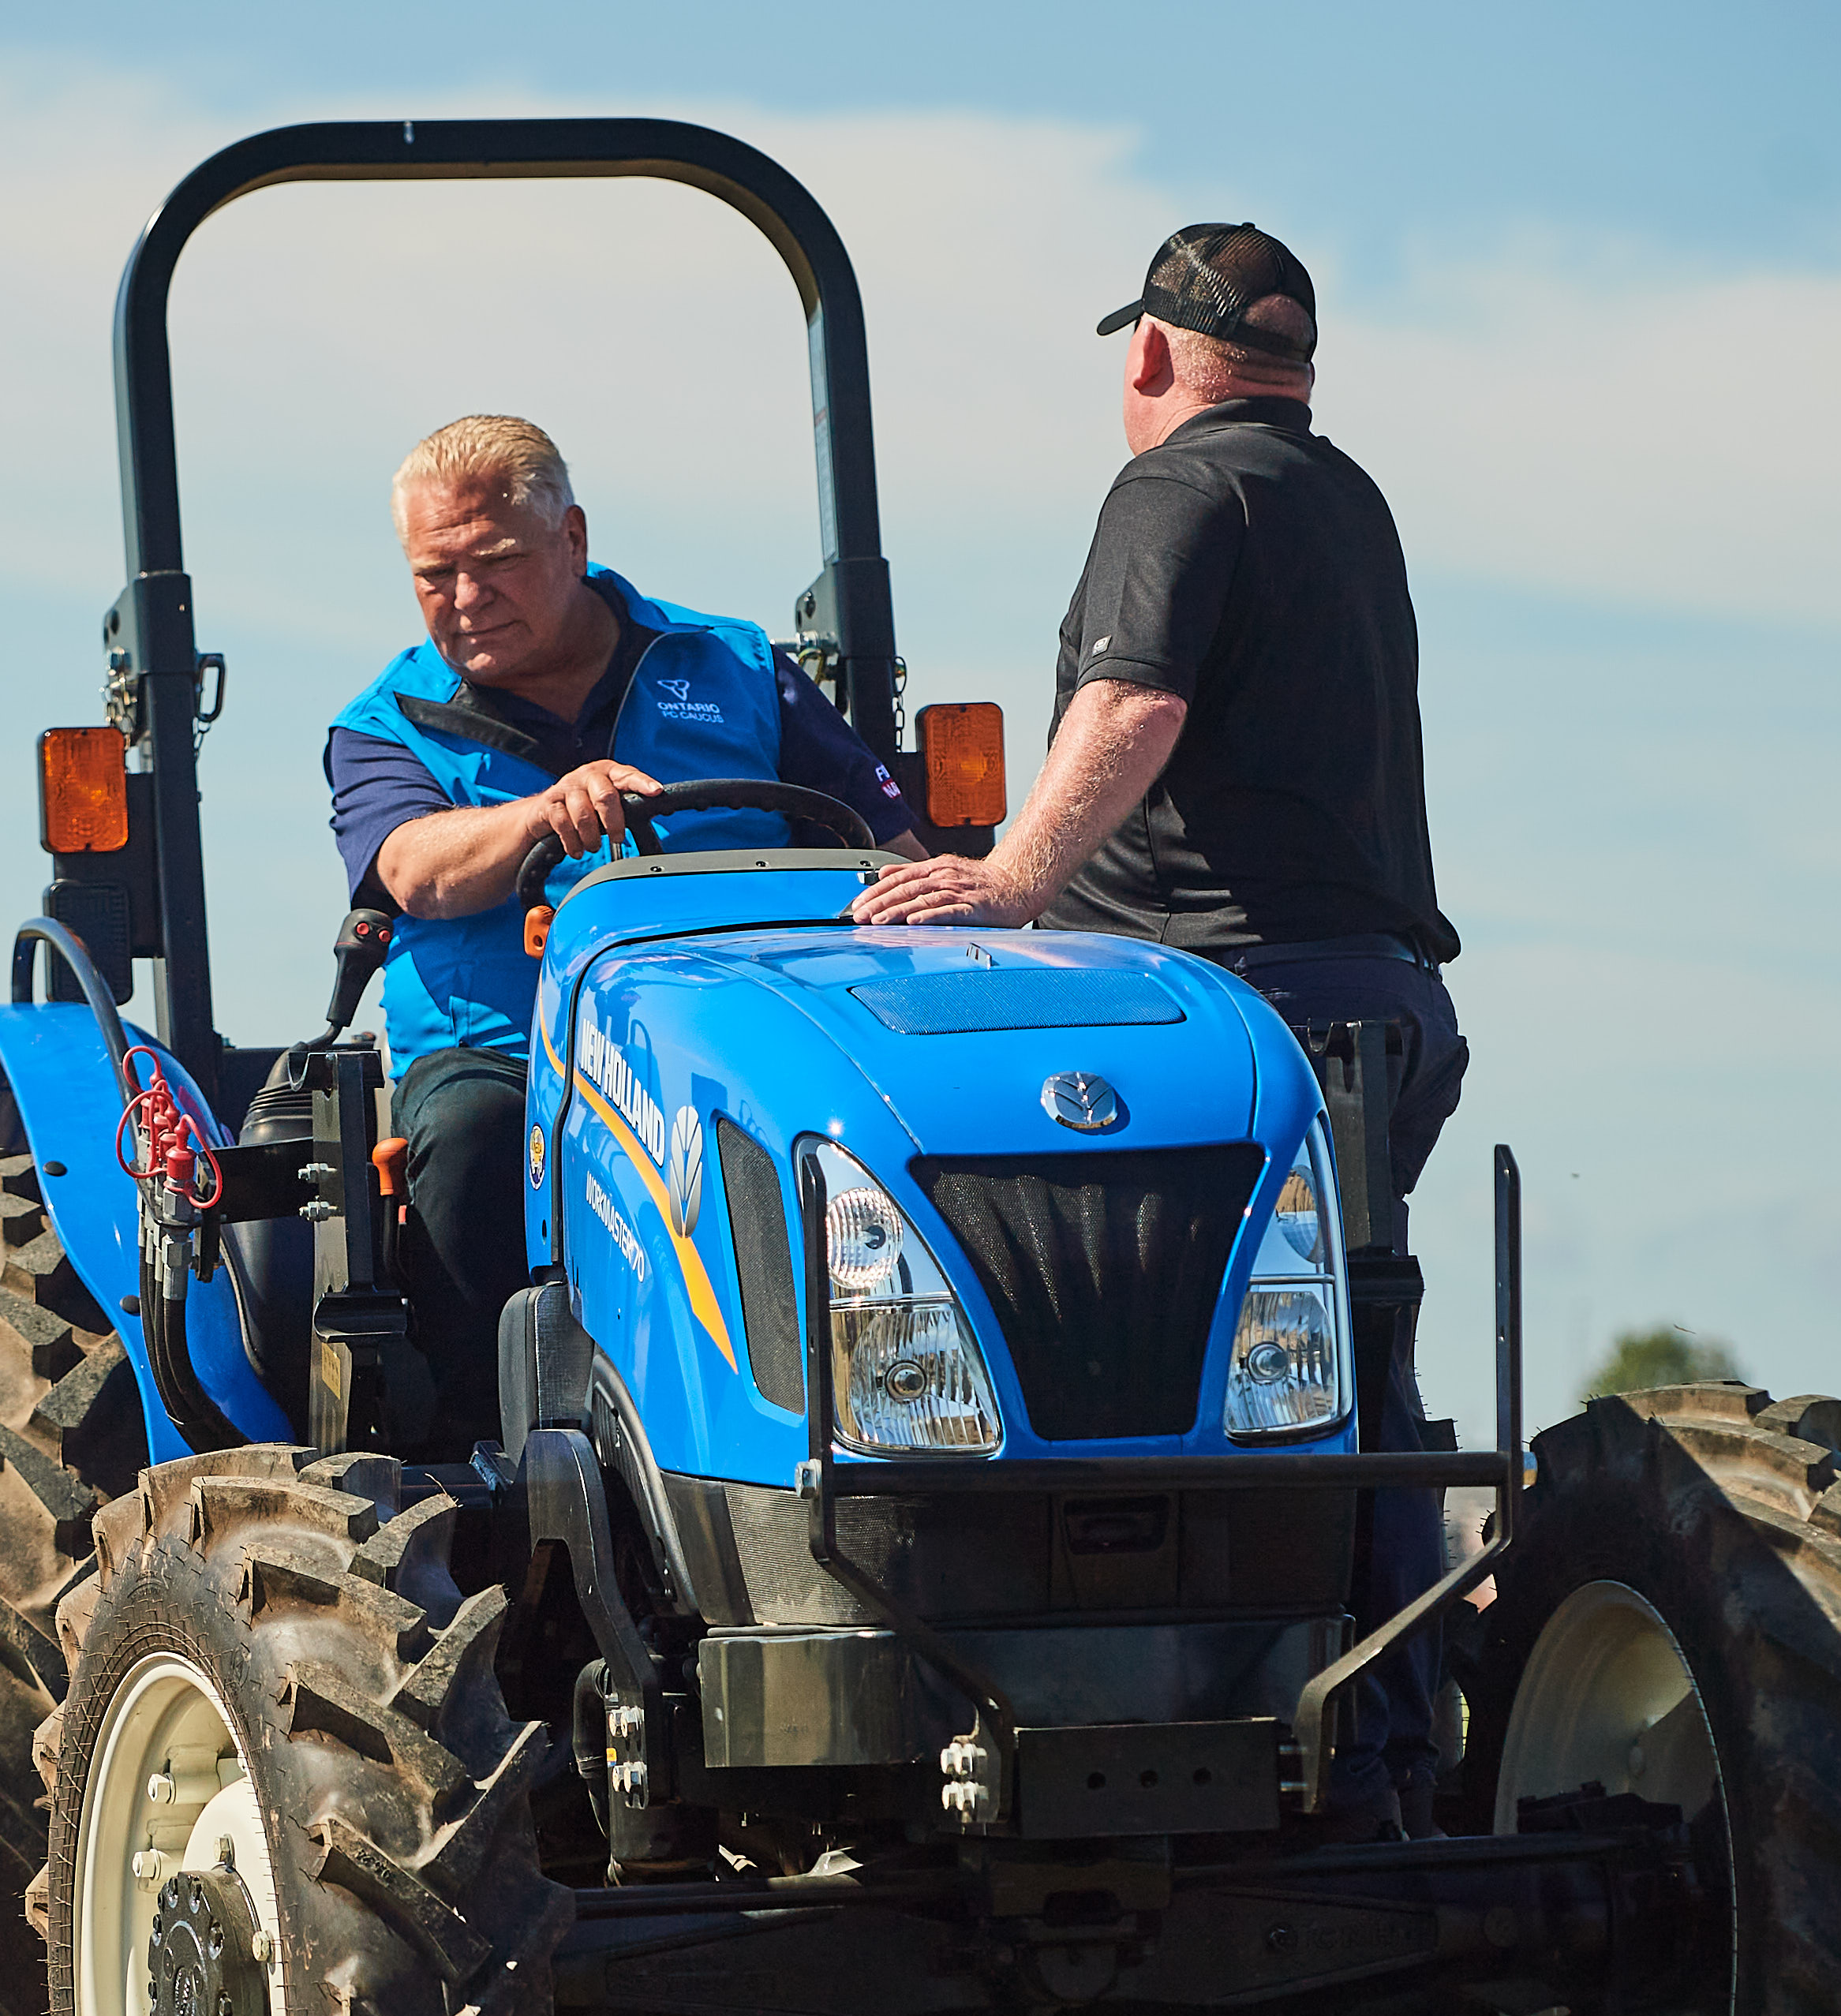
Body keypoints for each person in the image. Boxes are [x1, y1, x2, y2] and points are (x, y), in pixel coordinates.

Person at [851, 223, 1466, 1838]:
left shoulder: (1174, 488)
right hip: (1375, 998)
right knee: (1343, 1376)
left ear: (1146, 352)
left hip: (1230, 1006)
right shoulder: (1342, 497)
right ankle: (1394, 1749)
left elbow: (1133, 701)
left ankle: (1186, 1731)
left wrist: (1004, 881)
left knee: (1115, 1375)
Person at [329, 414, 927, 1452]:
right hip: (511, 1063)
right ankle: (491, 1467)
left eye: (496, 562)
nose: (465, 600)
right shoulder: (386, 724)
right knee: (471, 1145)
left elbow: (893, 850)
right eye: (435, 573)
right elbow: (412, 869)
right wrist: (542, 812)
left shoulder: (736, 669)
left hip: (739, 1049)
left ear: (572, 538)